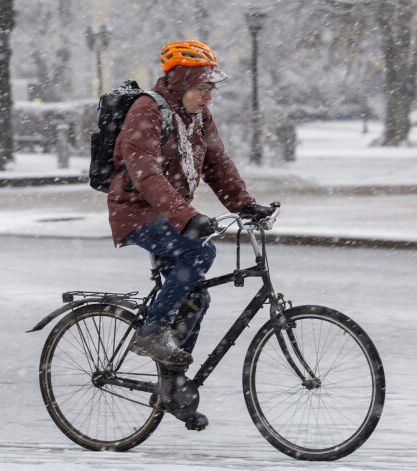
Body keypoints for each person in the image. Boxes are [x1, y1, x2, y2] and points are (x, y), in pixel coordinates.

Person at [107, 40, 273, 428]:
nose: (209, 95)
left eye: (212, 88)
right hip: (136, 214)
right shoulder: (147, 110)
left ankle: (173, 386)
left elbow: (217, 162)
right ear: (181, 82)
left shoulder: (198, 116)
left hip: (168, 212)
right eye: (203, 87)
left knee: (195, 300)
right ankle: (151, 333)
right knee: (200, 254)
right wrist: (185, 217)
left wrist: (244, 204)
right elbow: (144, 172)